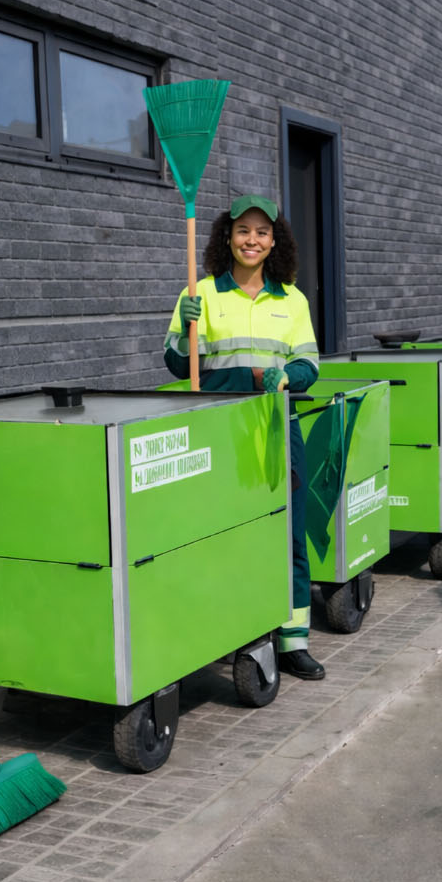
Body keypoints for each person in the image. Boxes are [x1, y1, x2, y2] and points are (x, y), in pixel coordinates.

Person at [163, 195, 324, 680]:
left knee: (289, 534)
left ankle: (293, 639)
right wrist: (184, 330)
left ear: (275, 241)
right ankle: (227, 630)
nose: (251, 240)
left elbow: (308, 364)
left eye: (261, 232)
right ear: (226, 238)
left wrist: (286, 378)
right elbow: (178, 366)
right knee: (222, 535)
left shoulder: (292, 299)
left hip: (277, 429)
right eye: (242, 231)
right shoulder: (201, 293)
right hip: (220, 431)